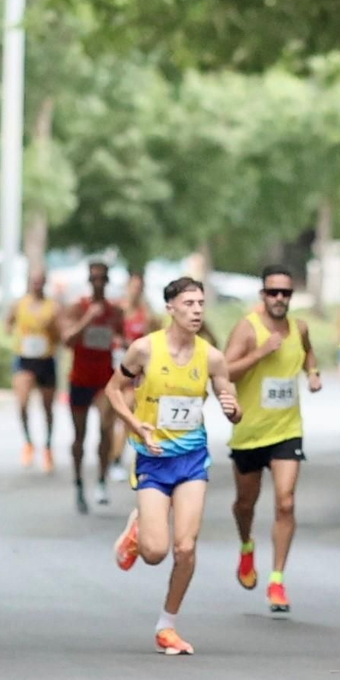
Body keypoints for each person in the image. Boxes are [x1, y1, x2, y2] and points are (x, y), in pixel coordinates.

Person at [108, 277, 242, 655]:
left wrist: (234, 409)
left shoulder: (212, 357)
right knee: (155, 553)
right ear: (170, 308)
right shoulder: (144, 350)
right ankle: (138, 531)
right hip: (153, 459)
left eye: (201, 303)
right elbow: (113, 390)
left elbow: (231, 403)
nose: (197, 310)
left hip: (192, 461)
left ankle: (167, 625)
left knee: (185, 547)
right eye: (188, 303)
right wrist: (135, 424)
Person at [223, 266, 322, 613]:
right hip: (250, 432)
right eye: (273, 292)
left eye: (286, 293)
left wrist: (312, 373)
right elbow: (224, 371)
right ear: (262, 295)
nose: (279, 299)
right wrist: (260, 353)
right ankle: (247, 547)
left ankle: (277, 579)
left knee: (286, 502)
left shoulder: (300, 328)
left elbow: (308, 351)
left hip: (286, 431)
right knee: (245, 504)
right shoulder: (247, 329)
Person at [62, 261, 127, 513]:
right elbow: (67, 340)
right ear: (89, 280)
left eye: (102, 278)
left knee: (105, 428)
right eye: (94, 278)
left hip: (104, 380)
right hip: (80, 378)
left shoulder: (116, 312)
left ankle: (101, 480)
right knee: (79, 436)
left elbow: (120, 339)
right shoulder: (77, 308)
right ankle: (78, 483)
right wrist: (88, 319)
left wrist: (121, 341)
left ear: (107, 281)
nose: (98, 282)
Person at [6, 269, 60, 472]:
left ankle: (47, 447)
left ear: (45, 283)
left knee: (47, 408)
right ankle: (28, 442)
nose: (37, 285)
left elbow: (60, 335)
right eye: (34, 281)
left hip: (46, 360)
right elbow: (7, 325)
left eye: (40, 282)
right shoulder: (20, 304)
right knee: (21, 404)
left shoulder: (53, 306)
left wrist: (51, 327)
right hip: (25, 359)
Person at [111, 272, 160, 481]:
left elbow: (156, 339)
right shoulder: (117, 311)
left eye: (139, 287)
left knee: (126, 415)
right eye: (133, 286)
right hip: (113, 367)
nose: (135, 290)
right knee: (109, 419)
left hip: (134, 373)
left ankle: (117, 459)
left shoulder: (146, 314)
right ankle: (110, 455)